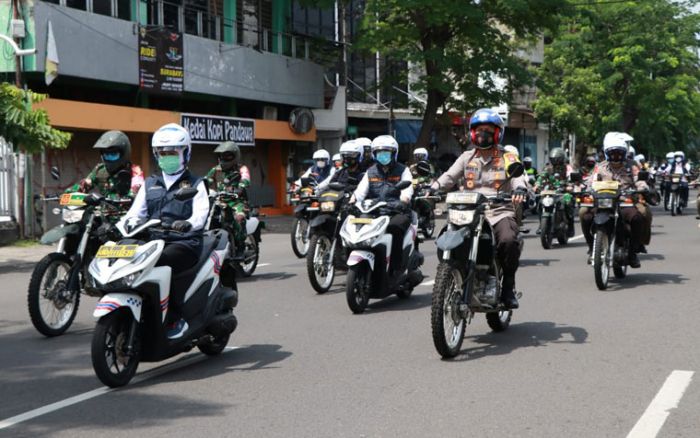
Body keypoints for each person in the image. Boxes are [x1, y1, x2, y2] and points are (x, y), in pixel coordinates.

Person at [430, 108, 526, 309]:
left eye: (488, 130)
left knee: (509, 240)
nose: (483, 134)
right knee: (446, 239)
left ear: (497, 132)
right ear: (473, 132)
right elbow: (449, 177)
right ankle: (457, 272)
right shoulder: (466, 157)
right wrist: (434, 188)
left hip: (498, 211)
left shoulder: (507, 157)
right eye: (479, 129)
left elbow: (518, 179)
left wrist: (520, 190)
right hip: (468, 212)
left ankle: (508, 287)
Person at [121, 123, 210, 339]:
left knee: (164, 262)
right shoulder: (150, 183)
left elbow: (201, 214)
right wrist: (122, 226)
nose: (166, 157)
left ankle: (174, 316)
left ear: (185, 153)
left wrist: (187, 224)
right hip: (153, 240)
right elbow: (135, 213)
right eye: (162, 153)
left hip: (184, 242)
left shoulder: (196, 183)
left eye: (172, 153)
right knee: (124, 258)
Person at [580, 133, 648, 268]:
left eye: (619, 153)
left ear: (624, 154)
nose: (616, 157)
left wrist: (642, 188)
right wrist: (583, 188)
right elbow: (590, 181)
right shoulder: (600, 167)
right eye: (613, 154)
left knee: (638, 218)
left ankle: (633, 252)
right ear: (607, 154)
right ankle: (591, 247)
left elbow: (639, 181)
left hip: (624, 201)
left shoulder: (631, 166)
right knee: (584, 214)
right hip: (602, 201)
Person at [352, 135, 414, 273]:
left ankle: (395, 268)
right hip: (375, 211)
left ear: (394, 154)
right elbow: (360, 192)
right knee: (357, 227)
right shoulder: (371, 172)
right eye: (379, 152)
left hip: (397, 211)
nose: (383, 155)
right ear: (374, 154)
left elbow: (407, 191)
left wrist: (403, 200)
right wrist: (352, 200)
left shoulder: (403, 170)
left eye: (386, 152)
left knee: (394, 228)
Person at [205, 141, 251, 260]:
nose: (224, 158)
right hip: (220, 201)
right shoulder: (216, 169)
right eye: (222, 155)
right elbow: (207, 180)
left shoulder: (241, 168)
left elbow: (245, 179)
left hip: (237, 201)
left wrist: (240, 187)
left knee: (239, 218)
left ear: (235, 155)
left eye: (227, 155)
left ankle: (241, 246)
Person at [68, 130, 144, 199]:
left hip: (125, 212)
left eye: (113, 154)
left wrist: (105, 199)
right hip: (101, 212)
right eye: (106, 154)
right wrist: (70, 192)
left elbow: (135, 195)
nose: (109, 157)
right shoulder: (101, 169)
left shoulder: (135, 171)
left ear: (124, 153)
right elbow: (85, 184)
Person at [534, 147, 575, 236]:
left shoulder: (567, 168)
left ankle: (571, 226)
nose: (555, 161)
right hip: (549, 191)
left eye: (557, 159)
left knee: (568, 201)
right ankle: (542, 225)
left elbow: (571, 178)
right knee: (540, 202)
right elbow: (541, 176)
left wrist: (570, 186)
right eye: (553, 159)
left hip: (563, 192)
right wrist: (537, 184)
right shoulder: (548, 167)